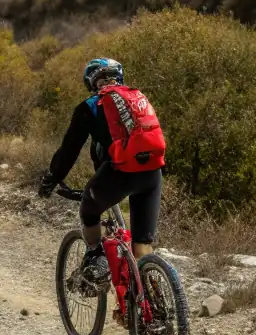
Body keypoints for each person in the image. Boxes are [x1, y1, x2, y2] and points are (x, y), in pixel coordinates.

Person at [38, 57, 165, 287]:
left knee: (88, 209)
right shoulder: (137, 99)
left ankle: (96, 257)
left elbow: (69, 151)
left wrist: (51, 179)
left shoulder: (90, 107)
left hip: (119, 175)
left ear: (91, 83)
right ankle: (152, 303)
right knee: (142, 245)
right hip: (152, 173)